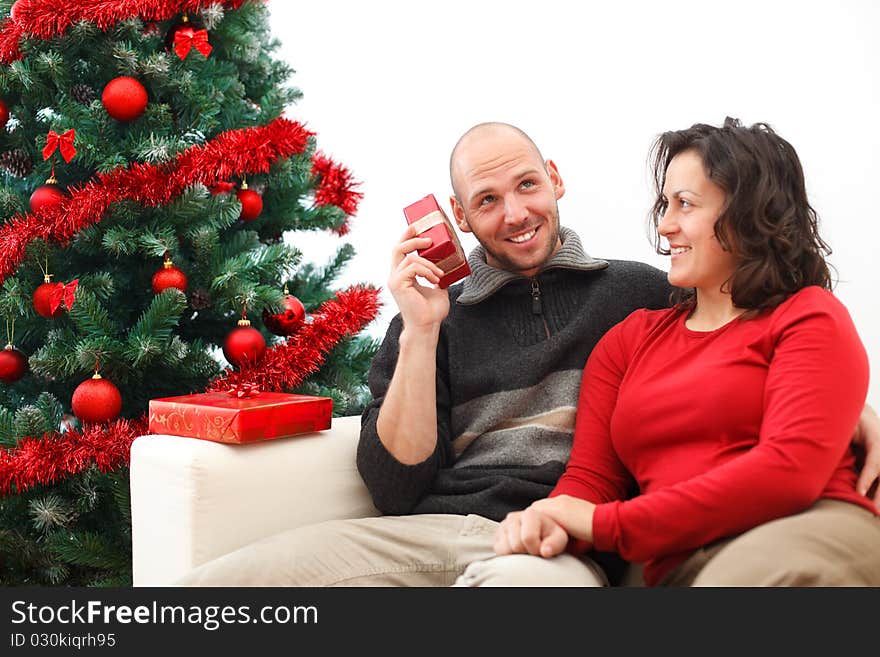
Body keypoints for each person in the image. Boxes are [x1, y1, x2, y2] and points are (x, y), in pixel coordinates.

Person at [178, 122, 880, 586]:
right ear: (459, 214)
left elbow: (758, 337)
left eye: (525, 186)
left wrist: (857, 408)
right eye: (487, 200)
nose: (513, 213)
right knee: (210, 592)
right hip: (437, 528)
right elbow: (393, 489)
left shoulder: (638, 295)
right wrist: (421, 330)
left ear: (554, 178)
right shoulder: (446, 320)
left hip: (562, 548)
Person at [494, 118, 880, 586]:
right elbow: (591, 481)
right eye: (664, 204)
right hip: (681, 561)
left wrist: (610, 527)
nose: (665, 225)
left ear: (747, 214)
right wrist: (548, 521)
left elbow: (789, 473)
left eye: (685, 205)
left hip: (805, 529)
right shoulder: (629, 341)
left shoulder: (809, 316)